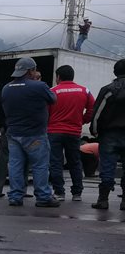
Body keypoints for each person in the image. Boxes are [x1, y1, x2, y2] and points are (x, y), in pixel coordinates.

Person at [0, 56, 58, 207]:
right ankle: (43, 197)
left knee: (15, 166)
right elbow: (53, 99)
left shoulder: (6, 88)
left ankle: (15, 196)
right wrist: (37, 82)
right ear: (31, 71)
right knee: (39, 166)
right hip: (35, 135)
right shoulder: (39, 86)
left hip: (13, 134)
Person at [47, 64, 95, 200]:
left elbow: (45, 112)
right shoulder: (84, 91)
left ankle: (59, 192)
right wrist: (82, 120)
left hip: (54, 132)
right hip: (74, 132)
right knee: (75, 162)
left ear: (58, 77)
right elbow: (93, 109)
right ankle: (77, 193)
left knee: (56, 162)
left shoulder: (52, 91)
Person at [89, 58, 125, 210]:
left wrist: (95, 131)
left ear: (115, 72)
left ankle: (103, 200)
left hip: (109, 135)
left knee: (107, 168)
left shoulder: (108, 90)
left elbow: (97, 113)